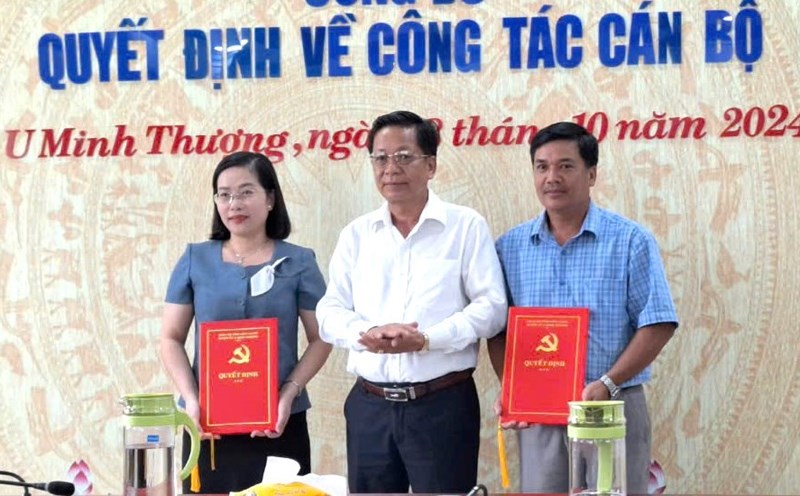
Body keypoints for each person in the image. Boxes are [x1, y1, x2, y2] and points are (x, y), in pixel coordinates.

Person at [316, 110, 507, 494]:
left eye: (404, 157)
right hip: (370, 406)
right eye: (380, 158)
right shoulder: (356, 235)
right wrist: (365, 332)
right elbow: (329, 310)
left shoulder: (466, 226)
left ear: (431, 165)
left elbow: (491, 308)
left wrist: (428, 339)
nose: (391, 169)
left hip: (442, 405)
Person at [488, 121, 678, 494]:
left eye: (566, 166)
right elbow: (498, 330)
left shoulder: (630, 240)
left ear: (591, 174)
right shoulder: (509, 247)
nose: (552, 177)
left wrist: (608, 383)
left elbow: (658, 322)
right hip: (540, 414)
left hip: (614, 406)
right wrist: (513, 390)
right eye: (541, 166)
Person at [159, 151, 332, 493]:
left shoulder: (298, 261)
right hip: (208, 427)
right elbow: (170, 338)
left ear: (270, 198)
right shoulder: (195, 258)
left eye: (245, 192)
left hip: (280, 422)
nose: (234, 203)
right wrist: (191, 401)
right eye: (224, 194)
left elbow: (322, 337)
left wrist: (288, 393)